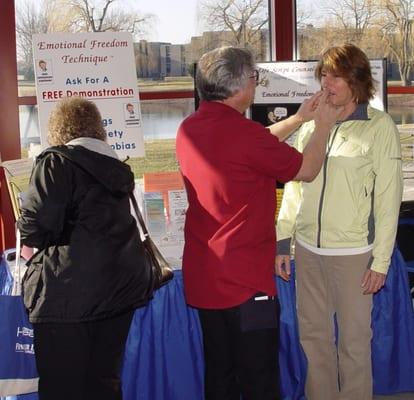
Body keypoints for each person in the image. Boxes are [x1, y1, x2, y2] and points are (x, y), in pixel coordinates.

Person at [176, 46, 343, 400]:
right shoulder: (244, 135)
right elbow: (306, 169)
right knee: (258, 379)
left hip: (206, 278)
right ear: (239, 87)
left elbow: (255, 146)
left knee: (220, 374)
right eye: (255, 78)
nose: (256, 85)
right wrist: (323, 126)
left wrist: (299, 120)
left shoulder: (189, 129)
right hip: (246, 282)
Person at [276, 43, 403, 400]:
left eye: (336, 75)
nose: (326, 82)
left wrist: (380, 261)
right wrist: (283, 239)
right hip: (309, 252)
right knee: (314, 341)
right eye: (324, 74)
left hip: (353, 254)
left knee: (354, 344)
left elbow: (388, 199)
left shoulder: (378, 128)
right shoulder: (313, 124)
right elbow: (295, 186)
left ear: (356, 81)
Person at [17, 97, 152, 400]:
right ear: (97, 129)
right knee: (103, 383)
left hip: (68, 295)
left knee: (62, 388)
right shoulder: (115, 166)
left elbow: (35, 228)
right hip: (119, 290)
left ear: (57, 130)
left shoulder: (55, 163)